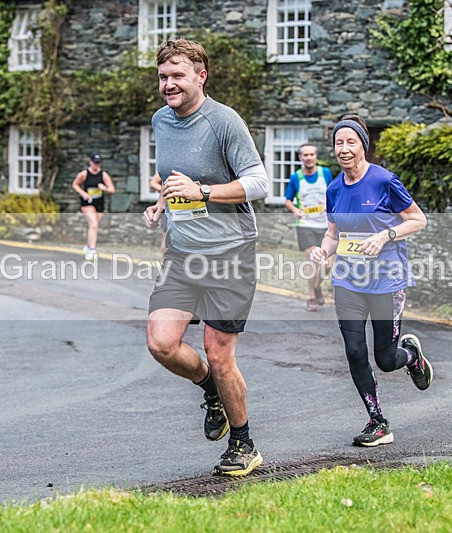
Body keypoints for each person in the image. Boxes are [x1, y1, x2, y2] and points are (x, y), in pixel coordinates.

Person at [143, 38, 269, 477]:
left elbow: (259, 183)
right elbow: (172, 177)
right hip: (182, 252)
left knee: (219, 354)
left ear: (201, 75)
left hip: (230, 253)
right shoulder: (161, 121)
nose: (168, 84)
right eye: (163, 77)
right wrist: (162, 203)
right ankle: (209, 388)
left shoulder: (224, 122)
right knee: (161, 343)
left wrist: (205, 192)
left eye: (178, 75)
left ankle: (244, 443)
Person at [309, 114, 433, 447]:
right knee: (353, 351)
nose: (344, 149)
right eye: (339, 143)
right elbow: (333, 233)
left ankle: (411, 357)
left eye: (351, 142)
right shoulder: (334, 188)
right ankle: (377, 421)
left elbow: (417, 220)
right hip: (348, 280)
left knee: (386, 359)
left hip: (386, 282)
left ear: (363, 145)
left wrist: (385, 235)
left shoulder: (384, 181)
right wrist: (323, 251)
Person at [284, 143, 334, 311]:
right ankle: (311, 296)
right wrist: (295, 210)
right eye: (305, 155)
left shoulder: (325, 173)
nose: (309, 157)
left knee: (327, 265)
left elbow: (333, 193)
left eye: (312, 154)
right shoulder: (295, 177)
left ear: (315, 156)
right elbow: (288, 200)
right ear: (300, 158)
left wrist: (331, 206)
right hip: (305, 225)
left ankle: (317, 286)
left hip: (325, 224)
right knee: (313, 261)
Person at [72, 152, 115, 260]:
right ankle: (92, 250)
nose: (97, 165)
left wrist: (104, 188)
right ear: (90, 162)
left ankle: (88, 246)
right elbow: (75, 184)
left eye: (98, 163)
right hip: (87, 203)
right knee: (94, 224)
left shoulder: (104, 175)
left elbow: (112, 189)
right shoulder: (84, 174)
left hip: (99, 203)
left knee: (94, 226)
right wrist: (83, 193)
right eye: (95, 163)